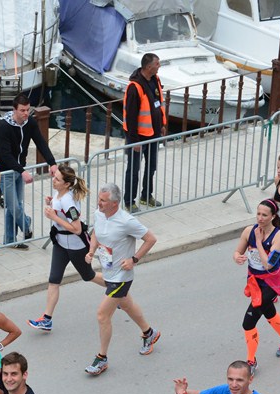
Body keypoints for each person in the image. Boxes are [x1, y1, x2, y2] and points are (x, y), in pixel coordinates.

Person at [83, 183, 160, 376]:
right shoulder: (99, 214)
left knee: (102, 315)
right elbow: (96, 233)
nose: (99, 203)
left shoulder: (127, 221)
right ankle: (149, 333)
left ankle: (102, 358)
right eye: (99, 199)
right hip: (108, 271)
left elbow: (151, 239)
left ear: (114, 203)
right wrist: (91, 251)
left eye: (103, 200)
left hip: (122, 277)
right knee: (126, 305)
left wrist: (134, 259)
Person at [27, 163, 98, 331]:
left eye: (57, 179)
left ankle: (115, 287)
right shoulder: (60, 193)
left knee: (88, 276)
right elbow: (60, 209)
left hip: (75, 246)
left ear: (66, 184)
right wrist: (52, 203)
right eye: (54, 177)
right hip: (60, 244)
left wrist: (54, 217)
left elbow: (77, 228)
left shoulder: (68, 201)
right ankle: (46, 319)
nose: (54, 180)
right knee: (54, 280)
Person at [232, 199, 280, 376]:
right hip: (254, 282)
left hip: (271, 282)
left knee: (248, 322)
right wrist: (237, 257)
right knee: (269, 311)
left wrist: (258, 242)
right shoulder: (248, 231)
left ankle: (251, 361)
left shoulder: (279, 237)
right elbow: (237, 251)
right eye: (258, 213)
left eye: (264, 215)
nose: (260, 218)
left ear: (273, 216)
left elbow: (268, 265)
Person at [0, 94, 58, 248]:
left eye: (28, 110)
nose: (26, 113)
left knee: (15, 206)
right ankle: (26, 223)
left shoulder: (30, 123)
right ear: (14, 109)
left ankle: (10, 240)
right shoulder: (3, 127)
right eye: (22, 110)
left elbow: (41, 143)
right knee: (14, 207)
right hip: (5, 172)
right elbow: (5, 154)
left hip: (20, 169)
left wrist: (52, 163)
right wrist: (22, 171)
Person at [122, 53, 166, 213]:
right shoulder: (134, 88)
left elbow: (158, 103)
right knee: (133, 170)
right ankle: (129, 201)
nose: (159, 66)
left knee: (151, 166)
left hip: (154, 133)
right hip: (139, 137)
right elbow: (130, 117)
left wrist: (162, 124)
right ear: (148, 67)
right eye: (157, 64)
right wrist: (134, 141)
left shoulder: (155, 79)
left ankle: (146, 195)